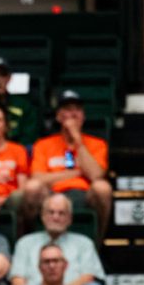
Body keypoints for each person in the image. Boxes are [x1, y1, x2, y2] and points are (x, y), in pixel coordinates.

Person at [10, 194, 108, 285]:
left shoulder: (84, 243)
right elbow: (17, 282)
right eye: (51, 212)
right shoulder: (25, 243)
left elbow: (88, 277)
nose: (56, 217)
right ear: (42, 216)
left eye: (61, 213)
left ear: (69, 219)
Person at [26, 90, 113, 235]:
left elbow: (96, 175)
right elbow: (38, 178)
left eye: (77, 110)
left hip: (84, 194)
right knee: (31, 187)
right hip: (51, 193)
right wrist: (77, 172)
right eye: (67, 109)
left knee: (102, 188)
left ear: (83, 116)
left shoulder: (97, 144)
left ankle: (97, 245)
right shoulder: (43, 144)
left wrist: (78, 141)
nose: (73, 114)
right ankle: (30, 239)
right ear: (58, 116)